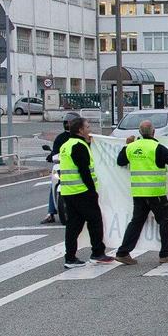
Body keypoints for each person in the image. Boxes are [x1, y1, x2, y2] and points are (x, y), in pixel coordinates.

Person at [116, 119, 168, 265]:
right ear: (153, 132)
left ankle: (123, 252)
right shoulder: (156, 147)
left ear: (140, 132)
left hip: (138, 193)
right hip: (155, 192)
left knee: (136, 222)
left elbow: (120, 161)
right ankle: (166, 253)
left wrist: (127, 144)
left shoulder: (132, 147)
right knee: (164, 220)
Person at [55, 114, 113, 266]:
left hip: (68, 191)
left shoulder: (67, 145)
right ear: (80, 130)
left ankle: (70, 257)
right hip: (82, 191)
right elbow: (84, 171)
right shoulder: (79, 146)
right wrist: (92, 191)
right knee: (95, 221)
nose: (90, 129)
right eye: (87, 127)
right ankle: (97, 253)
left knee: (73, 226)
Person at [43, 122, 75, 223]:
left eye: (70, 123)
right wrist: (51, 156)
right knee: (54, 184)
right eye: (66, 123)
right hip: (63, 168)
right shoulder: (60, 138)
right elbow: (55, 151)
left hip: (76, 170)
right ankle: (50, 212)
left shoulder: (81, 138)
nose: (67, 125)